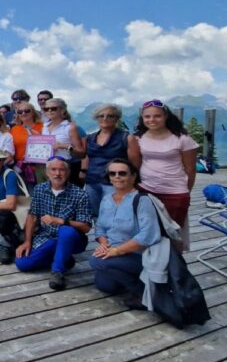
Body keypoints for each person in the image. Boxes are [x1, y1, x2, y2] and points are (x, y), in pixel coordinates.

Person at [89, 158, 161, 308]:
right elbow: (100, 227)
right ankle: (130, 277)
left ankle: (143, 293)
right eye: (112, 173)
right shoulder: (106, 199)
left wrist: (116, 251)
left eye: (122, 173)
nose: (117, 177)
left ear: (133, 176)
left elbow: (148, 235)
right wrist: (104, 244)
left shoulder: (142, 200)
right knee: (105, 286)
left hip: (137, 255)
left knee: (96, 261)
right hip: (112, 251)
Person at [15, 157, 92, 291]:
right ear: (47, 172)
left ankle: (57, 272)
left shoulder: (80, 194)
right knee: (22, 263)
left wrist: (62, 221)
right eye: (53, 169)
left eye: (62, 170)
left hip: (72, 239)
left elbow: (86, 227)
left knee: (66, 231)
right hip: (47, 236)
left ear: (68, 173)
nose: (57, 173)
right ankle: (63, 257)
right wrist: (27, 241)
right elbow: (32, 215)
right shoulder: (39, 189)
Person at [134, 99, 198, 250]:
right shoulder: (138, 138)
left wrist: (186, 192)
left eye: (157, 116)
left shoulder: (182, 139)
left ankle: (173, 262)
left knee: (173, 232)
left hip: (175, 192)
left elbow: (190, 169)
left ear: (166, 116)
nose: (152, 120)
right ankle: (150, 261)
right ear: (142, 118)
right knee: (146, 230)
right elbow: (136, 164)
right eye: (147, 116)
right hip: (146, 190)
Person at [82, 103, 141, 217]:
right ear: (96, 118)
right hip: (92, 182)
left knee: (115, 213)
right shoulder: (90, 138)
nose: (105, 118)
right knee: (94, 214)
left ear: (117, 119)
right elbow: (87, 156)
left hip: (114, 183)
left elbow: (135, 163)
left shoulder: (126, 138)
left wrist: (131, 183)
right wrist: (83, 171)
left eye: (110, 116)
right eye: (101, 116)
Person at [10, 102, 44, 193]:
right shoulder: (14, 129)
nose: (23, 113)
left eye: (27, 111)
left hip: (40, 167)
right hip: (21, 167)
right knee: (26, 194)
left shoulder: (42, 127)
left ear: (33, 112)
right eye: (20, 112)